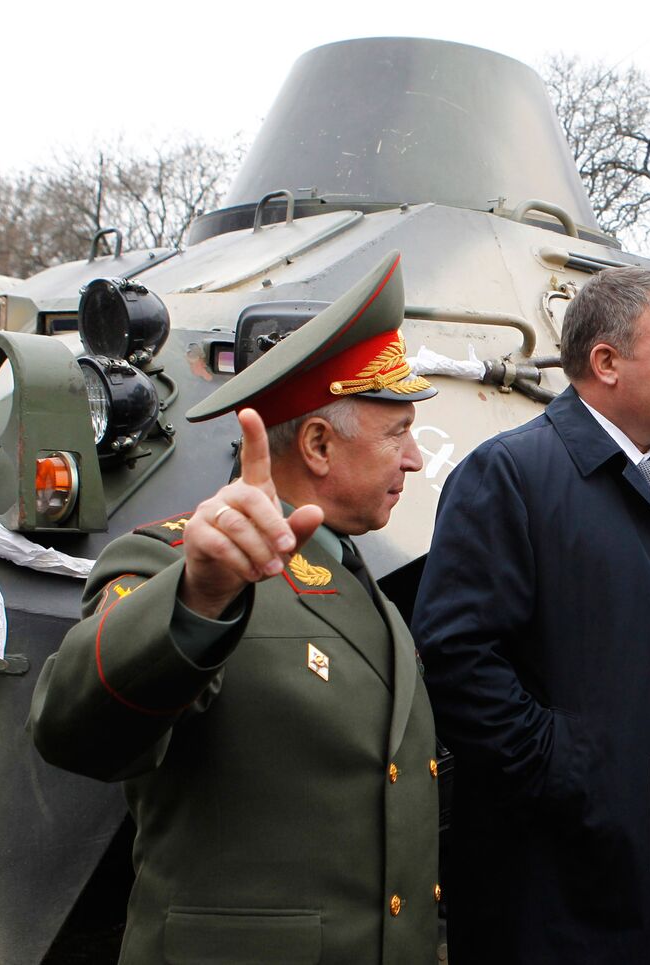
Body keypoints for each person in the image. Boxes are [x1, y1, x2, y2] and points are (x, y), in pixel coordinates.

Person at [29, 252, 442, 965]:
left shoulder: (357, 578)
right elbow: (75, 732)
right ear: (317, 443)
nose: (414, 460)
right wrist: (199, 596)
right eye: (397, 434)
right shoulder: (178, 562)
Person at [411, 266, 650, 964]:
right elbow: (456, 656)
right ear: (606, 362)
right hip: (572, 883)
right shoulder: (509, 474)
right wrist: (576, 775)